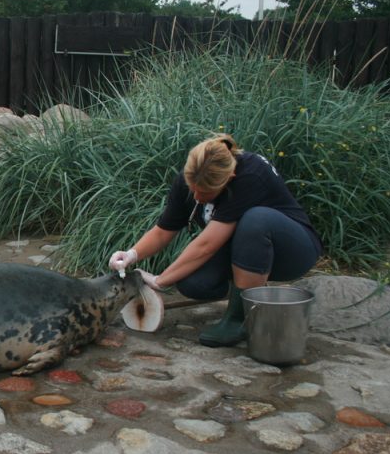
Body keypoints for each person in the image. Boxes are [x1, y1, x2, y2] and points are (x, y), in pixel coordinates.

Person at [108, 134, 322, 347]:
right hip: (243, 251)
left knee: (256, 220)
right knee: (194, 283)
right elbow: (164, 230)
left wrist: (161, 280)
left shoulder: (250, 175)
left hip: (293, 250)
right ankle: (247, 288)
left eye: (206, 193)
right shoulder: (191, 177)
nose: (198, 198)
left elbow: (206, 245)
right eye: (194, 190)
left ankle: (242, 318)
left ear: (229, 179)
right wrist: (131, 254)